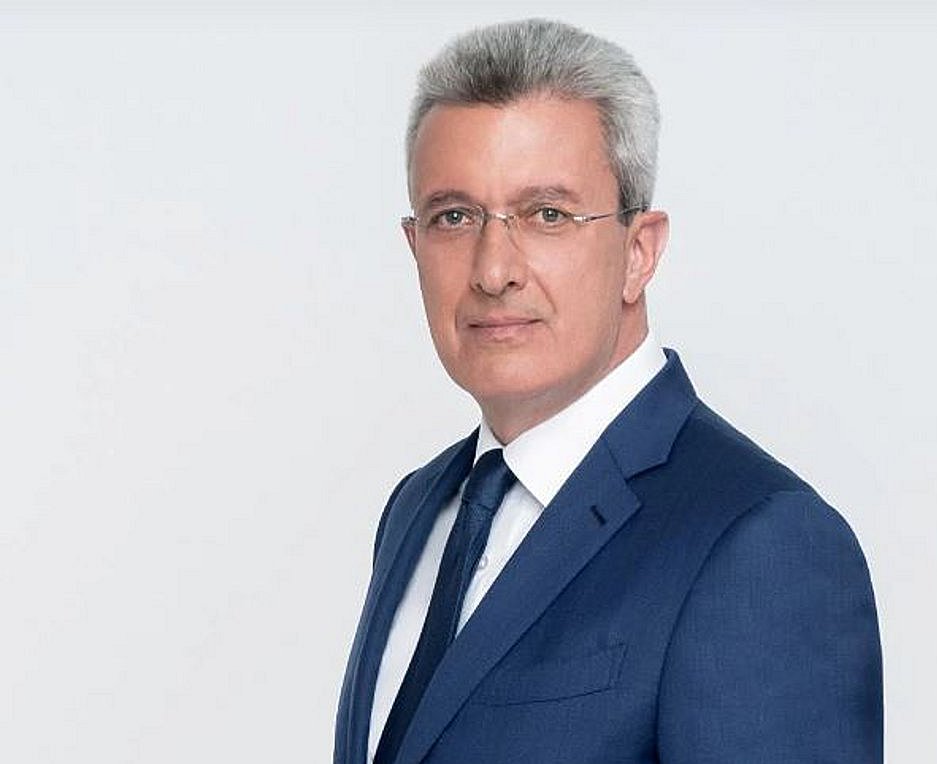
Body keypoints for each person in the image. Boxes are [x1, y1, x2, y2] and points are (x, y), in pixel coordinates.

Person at [335, 18, 882, 764]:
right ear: (414, 245)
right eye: (454, 217)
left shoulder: (760, 545)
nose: (493, 270)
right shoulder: (419, 508)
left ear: (639, 252)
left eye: (547, 215)